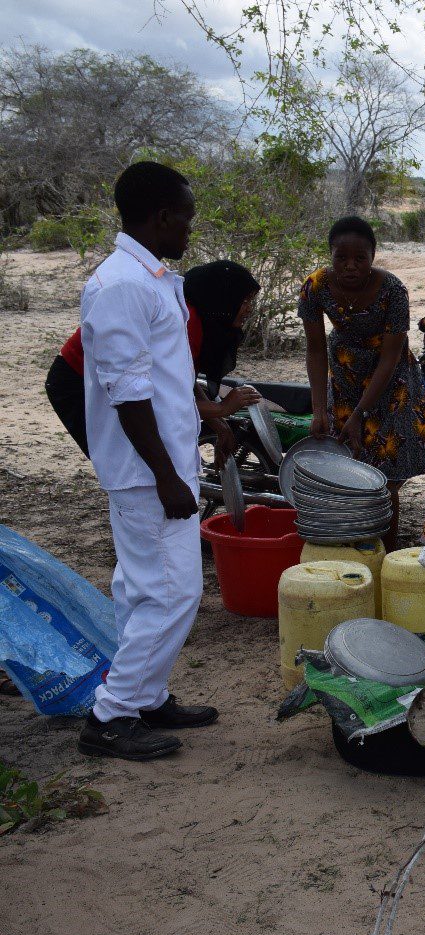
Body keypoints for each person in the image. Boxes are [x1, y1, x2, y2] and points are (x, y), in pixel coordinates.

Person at [76, 161, 218, 761]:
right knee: (172, 593)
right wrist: (166, 475)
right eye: (185, 218)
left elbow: (165, 376)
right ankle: (111, 716)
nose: (189, 229)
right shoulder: (124, 286)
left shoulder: (154, 277)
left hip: (163, 461)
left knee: (141, 590)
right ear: (161, 217)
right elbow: (127, 393)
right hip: (144, 471)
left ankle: (146, 694)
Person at [299, 216, 425, 549]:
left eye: (360, 258)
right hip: (344, 378)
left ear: (373, 256)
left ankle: (384, 553)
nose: (350, 266)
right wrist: (319, 409)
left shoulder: (392, 289)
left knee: (386, 479)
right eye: (341, 258)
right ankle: (350, 548)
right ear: (330, 256)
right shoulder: (315, 287)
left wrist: (360, 414)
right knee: (345, 468)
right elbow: (315, 350)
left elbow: (390, 356)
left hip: (392, 383)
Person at [46, 260, 262, 458]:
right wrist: (221, 409)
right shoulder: (185, 324)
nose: (248, 309)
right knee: (120, 457)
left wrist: (219, 424)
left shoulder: (201, 320)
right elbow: (163, 400)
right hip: (77, 379)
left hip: (112, 378)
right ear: (224, 299)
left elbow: (182, 379)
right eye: (244, 301)